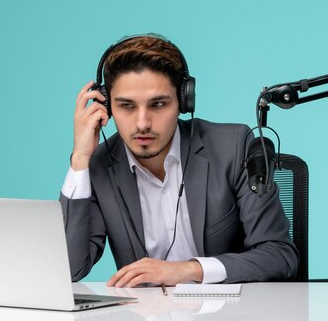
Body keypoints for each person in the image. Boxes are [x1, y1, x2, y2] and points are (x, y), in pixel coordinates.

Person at [59, 34, 298, 287]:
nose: (142, 123)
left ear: (184, 101)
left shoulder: (234, 147)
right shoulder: (97, 165)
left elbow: (280, 256)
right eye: (127, 106)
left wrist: (188, 270)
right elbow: (70, 269)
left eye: (158, 104)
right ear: (106, 108)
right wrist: (80, 160)